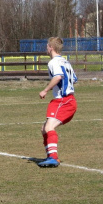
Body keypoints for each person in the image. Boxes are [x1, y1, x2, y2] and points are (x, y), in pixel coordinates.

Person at [37, 37, 77, 168]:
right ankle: (50, 155)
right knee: (44, 129)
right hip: (67, 100)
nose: (46, 48)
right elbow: (74, 79)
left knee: (49, 128)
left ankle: (53, 158)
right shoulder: (65, 62)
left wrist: (45, 90)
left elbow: (58, 76)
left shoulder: (53, 62)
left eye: (47, 46)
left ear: (51, 48)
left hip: (63, 101)